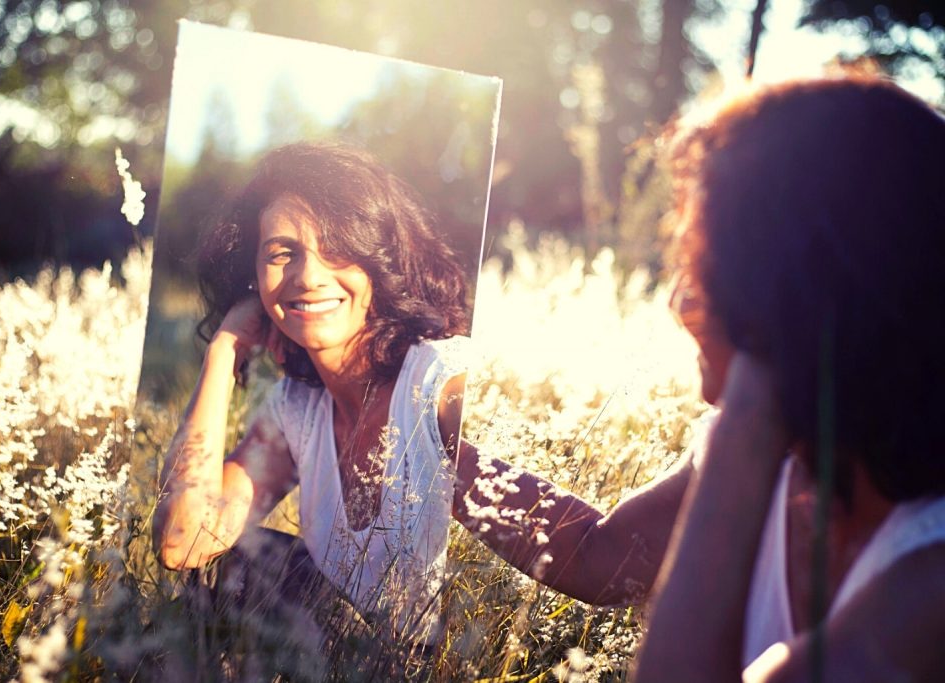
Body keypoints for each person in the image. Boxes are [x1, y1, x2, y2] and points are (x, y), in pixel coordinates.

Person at [150, 142, 623, 649]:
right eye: (282, 253)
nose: (308, 276)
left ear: (378, 259)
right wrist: (224, 350)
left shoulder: (439, 383)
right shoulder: (298, 408)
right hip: (347, 660)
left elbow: (591, 560)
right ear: (253, 279)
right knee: (228, 568)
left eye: (337, 246)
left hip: (452, 663)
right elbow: (184, 542)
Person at [621, 74, 945, 682]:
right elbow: (595, 554)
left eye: (706, 267)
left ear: (790, 293)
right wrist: (448, 449)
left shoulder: (930, 590)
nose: (679, 304)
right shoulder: (799, 466)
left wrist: (749, 415)